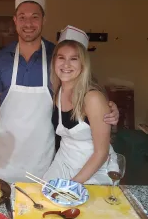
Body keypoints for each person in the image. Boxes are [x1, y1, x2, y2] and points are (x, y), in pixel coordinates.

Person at [0, 0, 119, 183]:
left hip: (41, 151)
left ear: (43, 20)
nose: (28, 23)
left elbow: (87, 87)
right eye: (22, 17)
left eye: (35, 17)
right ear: (15, 20)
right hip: (4, 147)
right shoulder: (0, 58)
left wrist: (108, 108)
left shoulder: (54, 54)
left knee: (38, 205)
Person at [43, 26, 116, 184]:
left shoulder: (93, 98)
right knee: (44, 200)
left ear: (83, 64)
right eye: (61, 57)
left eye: (74, 58)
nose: (66, 64)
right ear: (54, 60)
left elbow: (101, 153)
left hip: (96, 169)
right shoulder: (57, 91)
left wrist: (72, 185)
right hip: (64, 162)